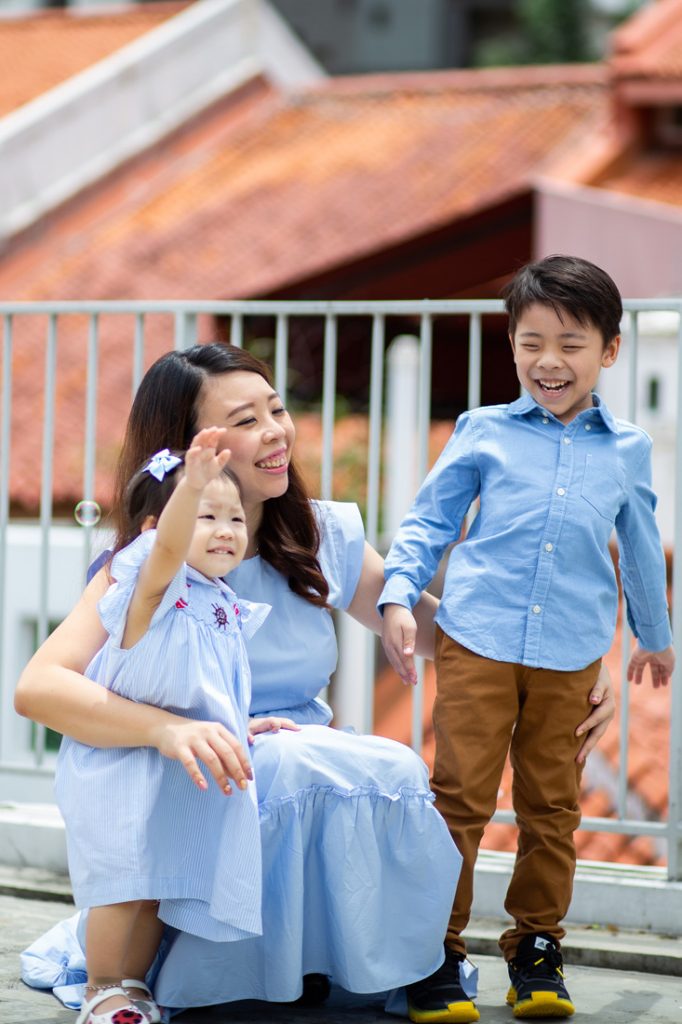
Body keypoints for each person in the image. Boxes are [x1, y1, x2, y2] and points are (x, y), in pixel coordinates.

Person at [15, 342, 614, 1017]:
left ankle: (381, 964)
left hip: (299, 740)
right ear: (190, 455)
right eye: (244, 422)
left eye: (276, 409)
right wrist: (172, 728)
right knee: (292, 767)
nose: (275, 432)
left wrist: (577, 672)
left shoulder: (320, 533)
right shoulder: (151, 563)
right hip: (206, 763)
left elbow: (453, 639)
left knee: (394, 768)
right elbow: (39, 687)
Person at [379, 255, 674, 1023]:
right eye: (531, 341)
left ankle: (537, 944)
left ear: (610, 351)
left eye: (572, 344)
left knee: (553, 808)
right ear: (511, 345)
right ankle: (435, 949)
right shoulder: (482, 431)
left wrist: (653, 633)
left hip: (571, 652)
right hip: (478, 639)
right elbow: (429, 521)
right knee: (460, 798)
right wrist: (400, 594)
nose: (549, 361)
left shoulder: (628, 449)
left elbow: (641, 542)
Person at [52, 428, 273, 1024]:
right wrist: (189, 488)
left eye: (235, 517)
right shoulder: (153, 583)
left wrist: (243, 724)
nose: (226, 529)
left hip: (173, 763)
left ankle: (132, 982)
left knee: (157, 884)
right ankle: (101, 987)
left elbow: (209, 684)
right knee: (122, 883)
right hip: (121, 759)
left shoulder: (216, 598)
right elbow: (167, 551)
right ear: (157, 529)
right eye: (206, 515)